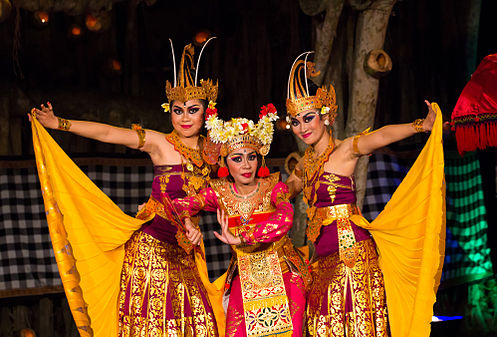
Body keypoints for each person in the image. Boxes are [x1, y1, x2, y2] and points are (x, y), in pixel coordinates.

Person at [30, 40, 222, 337]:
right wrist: (60, 124)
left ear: (205, 113)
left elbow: (227, 195)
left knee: (200, 326)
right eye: (177, 110)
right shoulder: (161, 144)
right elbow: (109, 132)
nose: (184, 118)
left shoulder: (216, 152)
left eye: (192, 110)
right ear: (169, 111)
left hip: (186, 253)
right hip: (151, 251)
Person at [284, 52, 445, 337]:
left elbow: (380, 136)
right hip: (321, 259)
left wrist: (420, 126)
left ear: (326, 116)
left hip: (352, 257)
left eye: (308, 118)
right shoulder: (304, 164)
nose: (303, 128)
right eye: (295, 122)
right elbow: (286, 191)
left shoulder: (345, 149)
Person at [160, 106, 312, 337]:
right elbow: (179, 205)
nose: (246, 165)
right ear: (225, 162)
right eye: (237, 158)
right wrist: (187, 222)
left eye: (251, 157)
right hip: (244, 274)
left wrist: (241, 238)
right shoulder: (219, 193)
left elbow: (284, 218)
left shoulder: (273, 187)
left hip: (285, 272)